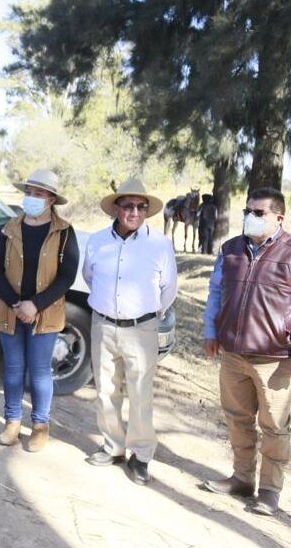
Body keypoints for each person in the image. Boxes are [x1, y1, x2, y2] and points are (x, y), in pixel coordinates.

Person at [201, 187, 291, 515]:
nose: (250, 218)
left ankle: (269, 491)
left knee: (274, 426)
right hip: (232, 354)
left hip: (275, 360)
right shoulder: (230, 250)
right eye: (247, 211)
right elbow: (216, 293)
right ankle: (242, 478)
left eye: (259, 213)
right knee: (237, 418)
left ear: (279, 218)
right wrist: (211, 332)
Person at [82, 178, 177, 485]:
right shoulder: (97, 241)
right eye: (128, 205)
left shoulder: (160, 244)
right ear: (116, 208)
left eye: (141, 206)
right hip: (103, 325)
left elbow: (168, 289)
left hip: (142, 328)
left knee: (140, 393)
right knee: (105, 390)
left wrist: (146, 315)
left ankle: (140, 454)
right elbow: (89, 276)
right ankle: (113, 445)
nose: (135, 211)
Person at [0, 168, 79, 451]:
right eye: (28, 192)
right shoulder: (9, 228)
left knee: (39, 371)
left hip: (45, 314)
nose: (32, 198)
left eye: (38, 194)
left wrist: (35, 305)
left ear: (51, 199)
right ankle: (12, 421)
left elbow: (67, 276)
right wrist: (17, 304)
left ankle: (40, 425)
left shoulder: (64, 232)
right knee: (13, 370)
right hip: (10, 311)